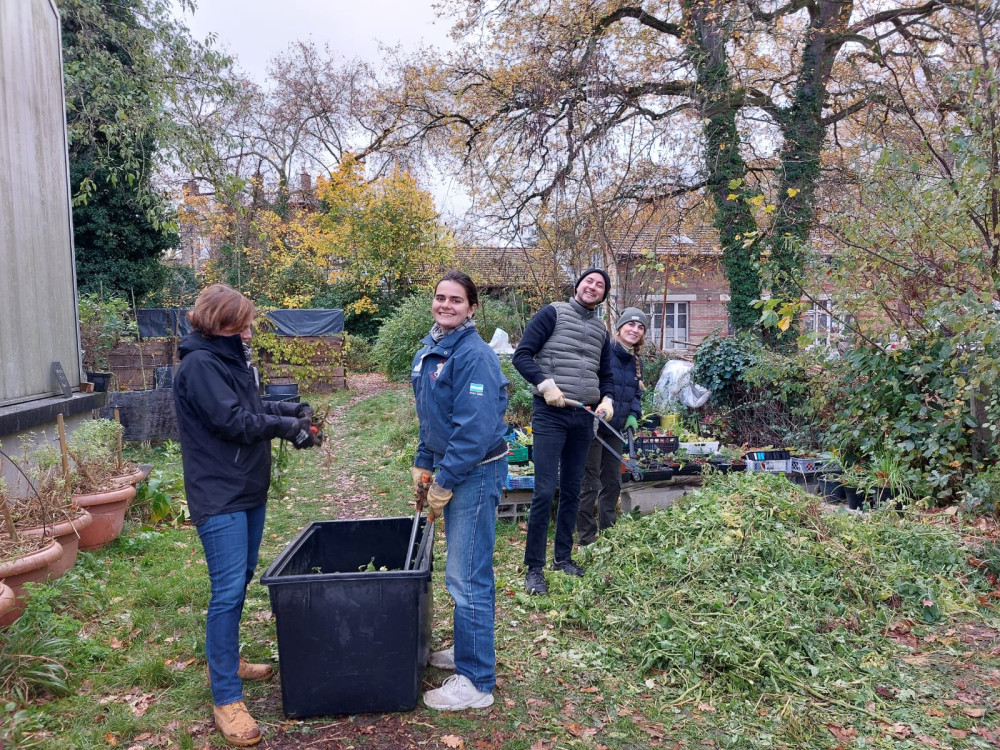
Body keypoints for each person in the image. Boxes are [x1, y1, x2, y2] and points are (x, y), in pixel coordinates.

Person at [173, 284, 319, 747]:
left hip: (246, 487)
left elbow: (251, 408)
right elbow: (232, 422)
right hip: (219, 494)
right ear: (221, 322)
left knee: (242, 578)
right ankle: (225, 698)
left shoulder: (228, 358)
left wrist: (291, 410)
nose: (251, 329)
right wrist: (286, 429)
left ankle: (228, 659)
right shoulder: (199, 364)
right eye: (245, 321)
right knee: (228, 590)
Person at [410, 270, 509, 711]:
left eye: (456, 300)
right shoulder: (434, 348)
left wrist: (444, 482)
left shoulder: (474, 356)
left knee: (467, 575)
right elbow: (433, 414)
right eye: (440, 298)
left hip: (476, 472)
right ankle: (468, 652)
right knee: (462, 571)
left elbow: (473, 430)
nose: (446, 305)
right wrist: (423, 460)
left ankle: (476, 681)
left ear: (472, 308)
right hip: (452, 467)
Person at [512, 268, 614, 595]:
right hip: (551, 412)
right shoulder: (552, 313)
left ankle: (563, 558)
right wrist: (544, 384)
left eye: (600, 285)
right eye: (589, 281)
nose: (593, 287)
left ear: (603, 295)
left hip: (583, 416)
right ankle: (534, 568)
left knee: (573, 488)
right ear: (578, 285)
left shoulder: (601, 329)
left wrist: (608, 398)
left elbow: (607, 374)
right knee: (544, 491)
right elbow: (521, 355)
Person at [577, 307, 648, 545]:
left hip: (616, 429)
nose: (635, 330)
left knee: (612, 482)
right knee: (590, 483)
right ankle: (586, 537)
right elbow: (589, 383)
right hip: (595, 426)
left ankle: (608, 532)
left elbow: (635, 393)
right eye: (630, 325)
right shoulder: (605, 352)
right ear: (619, 328)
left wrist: (633, 416)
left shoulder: (635, 359)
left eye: (640, 327)